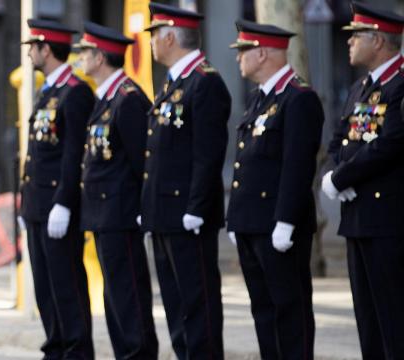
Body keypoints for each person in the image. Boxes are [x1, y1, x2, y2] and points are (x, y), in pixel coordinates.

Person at [227, 20, 324, 360]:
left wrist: (285, 220)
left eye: (243, 51)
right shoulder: (259, 98)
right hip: (252, 223)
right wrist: (235, 219)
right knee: (263, 311)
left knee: (289, 311)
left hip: (278, 226)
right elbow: (247, 164)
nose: (238, 58)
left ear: (263, 53)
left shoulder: (298, 99)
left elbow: (297, 166)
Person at [139, 3, 230, 359]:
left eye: (154, 35)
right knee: (176, 305)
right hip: (164, 211)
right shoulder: (175, 83)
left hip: (187, 216)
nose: (151, 44)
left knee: (198, 303)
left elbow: (208, 155)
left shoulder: (205, 82)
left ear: (171, 36)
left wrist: (196, 207)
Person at [322, 2, 404, 358]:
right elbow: (339, 138)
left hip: (389, 220)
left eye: (357, 36)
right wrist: (339, 171)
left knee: (394, 322)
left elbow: (391, 142)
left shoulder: (399, 85)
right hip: (357, 218)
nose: (349, 43)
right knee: (368, 323)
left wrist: (342, 177)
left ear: (379, 41)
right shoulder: (360, 88)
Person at [75, 21, 158, 359]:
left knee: (129, 295)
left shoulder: (128, 100)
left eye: (84, 52)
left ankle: (138, 354)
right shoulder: (106, 97)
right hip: (104, 214)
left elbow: (143, 162)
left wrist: (142, 209)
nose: (79, 57)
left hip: (122, 214)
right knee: (114, 296)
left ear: (99, 57)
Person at [19, 19, 95, 359]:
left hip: (57, 208)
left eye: (33, 47)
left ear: (45, 49)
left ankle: (76, 350)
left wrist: (65, 201)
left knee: (67, 286)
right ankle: (56, 348)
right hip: (37, 205)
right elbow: (36, 152)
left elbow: (74, 152)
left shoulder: (75, 91)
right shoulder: (48, 88)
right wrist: (25, 203)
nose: (30, 54)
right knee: (45, 288)